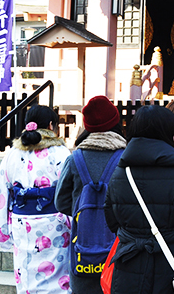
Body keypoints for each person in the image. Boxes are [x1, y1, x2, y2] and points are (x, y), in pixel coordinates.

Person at [104, 105, 174, 294]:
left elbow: (111, 220)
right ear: (168, 132)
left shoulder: (121, 172)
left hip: (129, 263)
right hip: (173, 264)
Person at [0, 105, 72, 294]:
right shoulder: (60, 153)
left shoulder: (12, 154)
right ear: (51, 125)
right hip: (53, 223)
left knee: (25, 275)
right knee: (57, 278)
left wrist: (4, 230)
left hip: (21, 222)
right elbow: (69, 191)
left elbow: (2, 192)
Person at [55, 96, 127, 294]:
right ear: (115, 122)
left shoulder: (75, 158)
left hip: (83, 250)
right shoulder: (126, 158)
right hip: (118, 249)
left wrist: (83, 208)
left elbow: (60, 202)